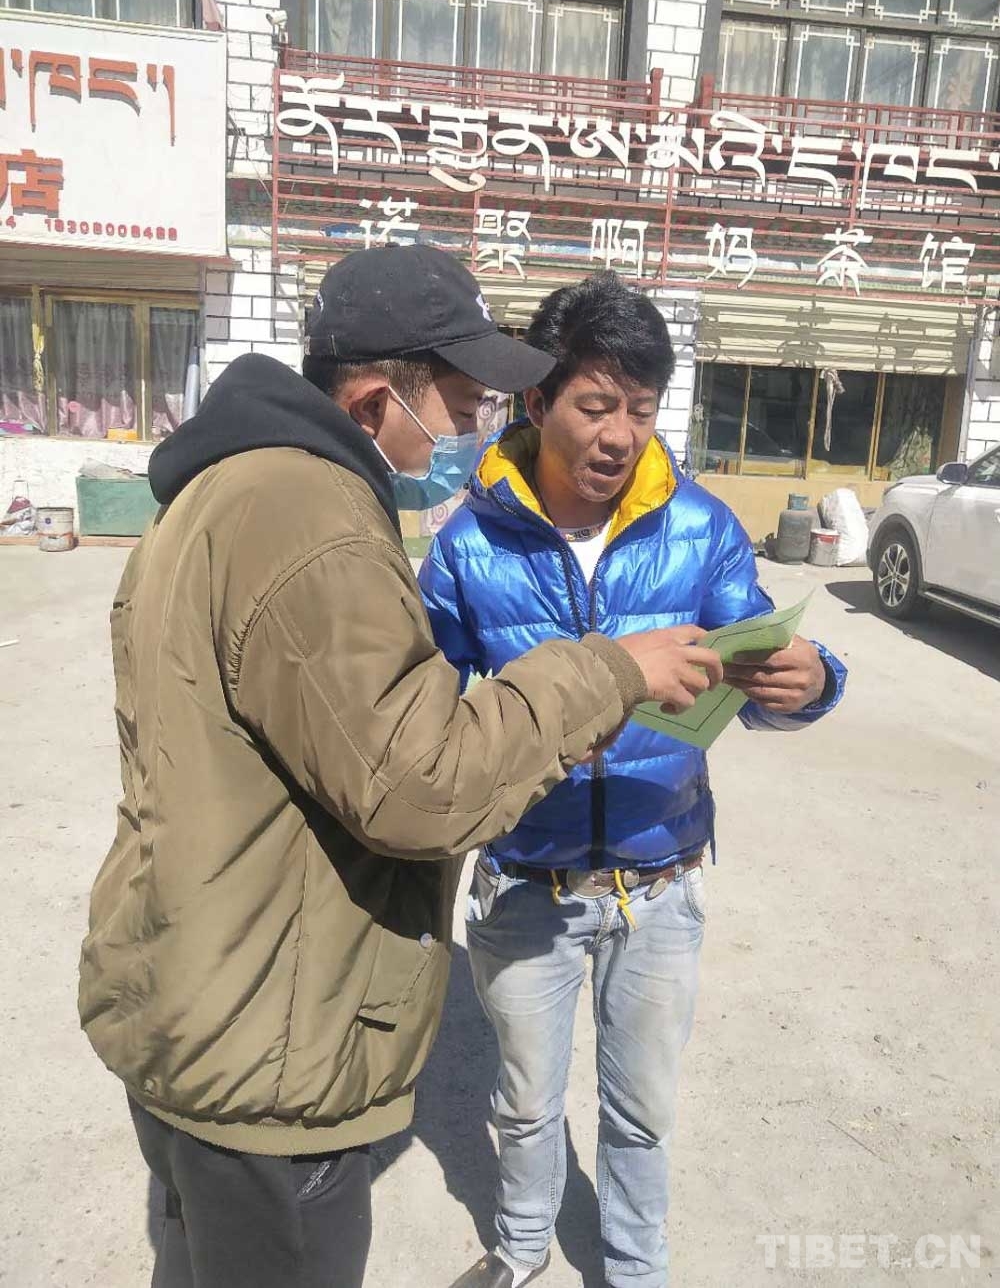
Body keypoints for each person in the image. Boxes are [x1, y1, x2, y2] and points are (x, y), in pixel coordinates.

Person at [78, 246, 731, 1288]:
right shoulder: (314, 521)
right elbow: (419, 783)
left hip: (205, 989)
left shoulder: (230, 489)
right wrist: (606, 672)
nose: (477, 429)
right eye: (464, 405)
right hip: (266, 1037)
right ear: (379, 401)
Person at [418, 272, 848, 1288]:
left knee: (642, 1112)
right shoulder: (470, 542)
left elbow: (751, 660)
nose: (620, 436)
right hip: (526, 879)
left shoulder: (699, 527)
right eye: (597, 405)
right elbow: (424, 711)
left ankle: (634, 1267)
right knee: (525, 1102)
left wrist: (809, 680)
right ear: (538, 401)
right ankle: (522, 1247)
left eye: (642, 410)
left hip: (660, 882)